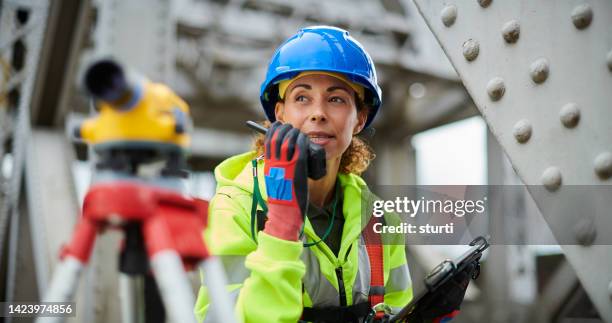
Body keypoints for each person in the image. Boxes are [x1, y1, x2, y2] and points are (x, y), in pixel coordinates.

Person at [195, 26, 413, 323]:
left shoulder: (380, 218)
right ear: (280, 114)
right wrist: (282, 226)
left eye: (336, 99)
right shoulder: (236, 205)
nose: (318, 113)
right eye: (301, 98)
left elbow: (399, 307)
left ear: (359, 118)